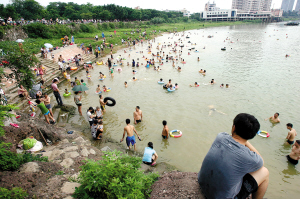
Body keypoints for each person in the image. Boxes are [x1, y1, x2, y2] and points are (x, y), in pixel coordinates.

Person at [198, 113, 269, 199]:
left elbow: (232, 139)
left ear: (233, 127)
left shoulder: (220, 136)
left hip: (202, 184)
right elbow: (261, 161)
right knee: (265, 172)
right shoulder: (249, 157)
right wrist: (245, 141)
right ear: (252, 136)